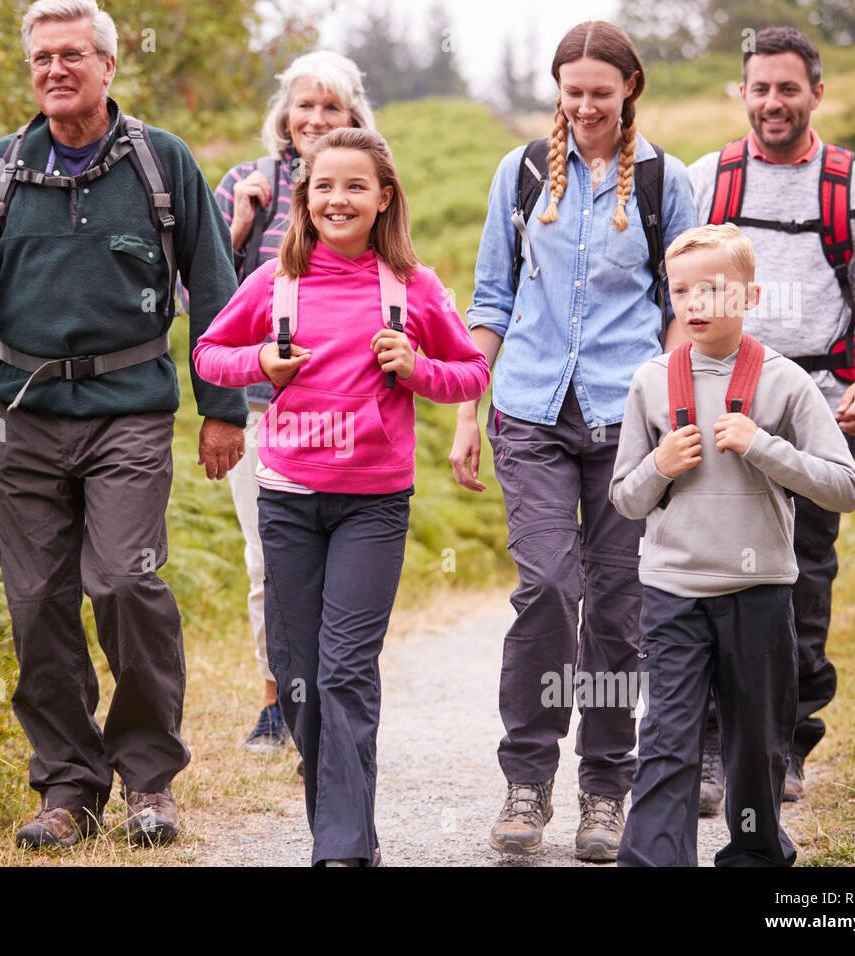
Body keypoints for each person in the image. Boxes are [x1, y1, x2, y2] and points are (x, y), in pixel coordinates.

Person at [0, 0, 246, 851]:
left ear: (107, 66)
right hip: (17, 418)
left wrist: (223, 407)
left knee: (126, 585)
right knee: (36, 606)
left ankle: (148, 782)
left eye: (72, 55)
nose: (55, 70)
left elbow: (215, 291)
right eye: (41, 59)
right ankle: (68, 787)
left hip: (129, 410)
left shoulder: (160, 162)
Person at [194, 127, 490, 866]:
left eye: (356, 186)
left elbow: (472, 373)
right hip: (288, 499)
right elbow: (208, 353)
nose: (339, 198)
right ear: (305, 197)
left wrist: (418, 368)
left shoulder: (413, 285)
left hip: (373, 505)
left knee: (346, 670)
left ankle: (344, 846)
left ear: (384, 198)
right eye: (325, 186)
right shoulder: (274, 284)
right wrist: (261, 358)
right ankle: (342, 818)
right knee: (298, 677)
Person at [451, 20, 697, 862]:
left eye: (601, 91)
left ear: (630, 87)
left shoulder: (669, 182)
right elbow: (489, 300)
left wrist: (671, 412)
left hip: (630, 423)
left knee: (620, 611)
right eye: (573, 90)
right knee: (549, 588)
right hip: (529, 409)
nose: (585, 105)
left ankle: (604, 791)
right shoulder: (520, 174)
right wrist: (462, 412)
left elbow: (682, 314)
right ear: (557, 89)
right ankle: (527, 778)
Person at [687, 26, 855, 808]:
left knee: (802, 582)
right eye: (760, 88)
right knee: (714, 578)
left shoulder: (854, 187)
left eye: (789, 88)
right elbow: (666, 291)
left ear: (816, 92)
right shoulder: (705, 180)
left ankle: (785, 746)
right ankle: (716, 747)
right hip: (718, 407)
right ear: (742, 92)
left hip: (820, 412)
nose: (773, 102)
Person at [610, 223, 855, 866]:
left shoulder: (786, 383)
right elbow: (625, 499)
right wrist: (661, 464)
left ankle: (755, 856)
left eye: (713, 290)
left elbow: (844, 486)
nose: (695, 304)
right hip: (671, 593)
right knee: (668, 737)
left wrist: (763, 448)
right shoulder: (649, 383)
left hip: (758, 593)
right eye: (682, 290)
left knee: (756, 741)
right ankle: (656, 859)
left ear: (750, 296)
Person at [212, 51, 375, 756]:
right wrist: (240, 227)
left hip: (345, 407)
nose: (314, 119)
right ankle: (279, 698)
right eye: (304, 106)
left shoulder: (368, 185)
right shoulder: (244, 185)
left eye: (330, 108)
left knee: (337, 560)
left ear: (352, 118)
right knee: (268, 560)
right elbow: (201, 302)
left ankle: (334, 695)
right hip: (258, 405)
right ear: (285, 113)